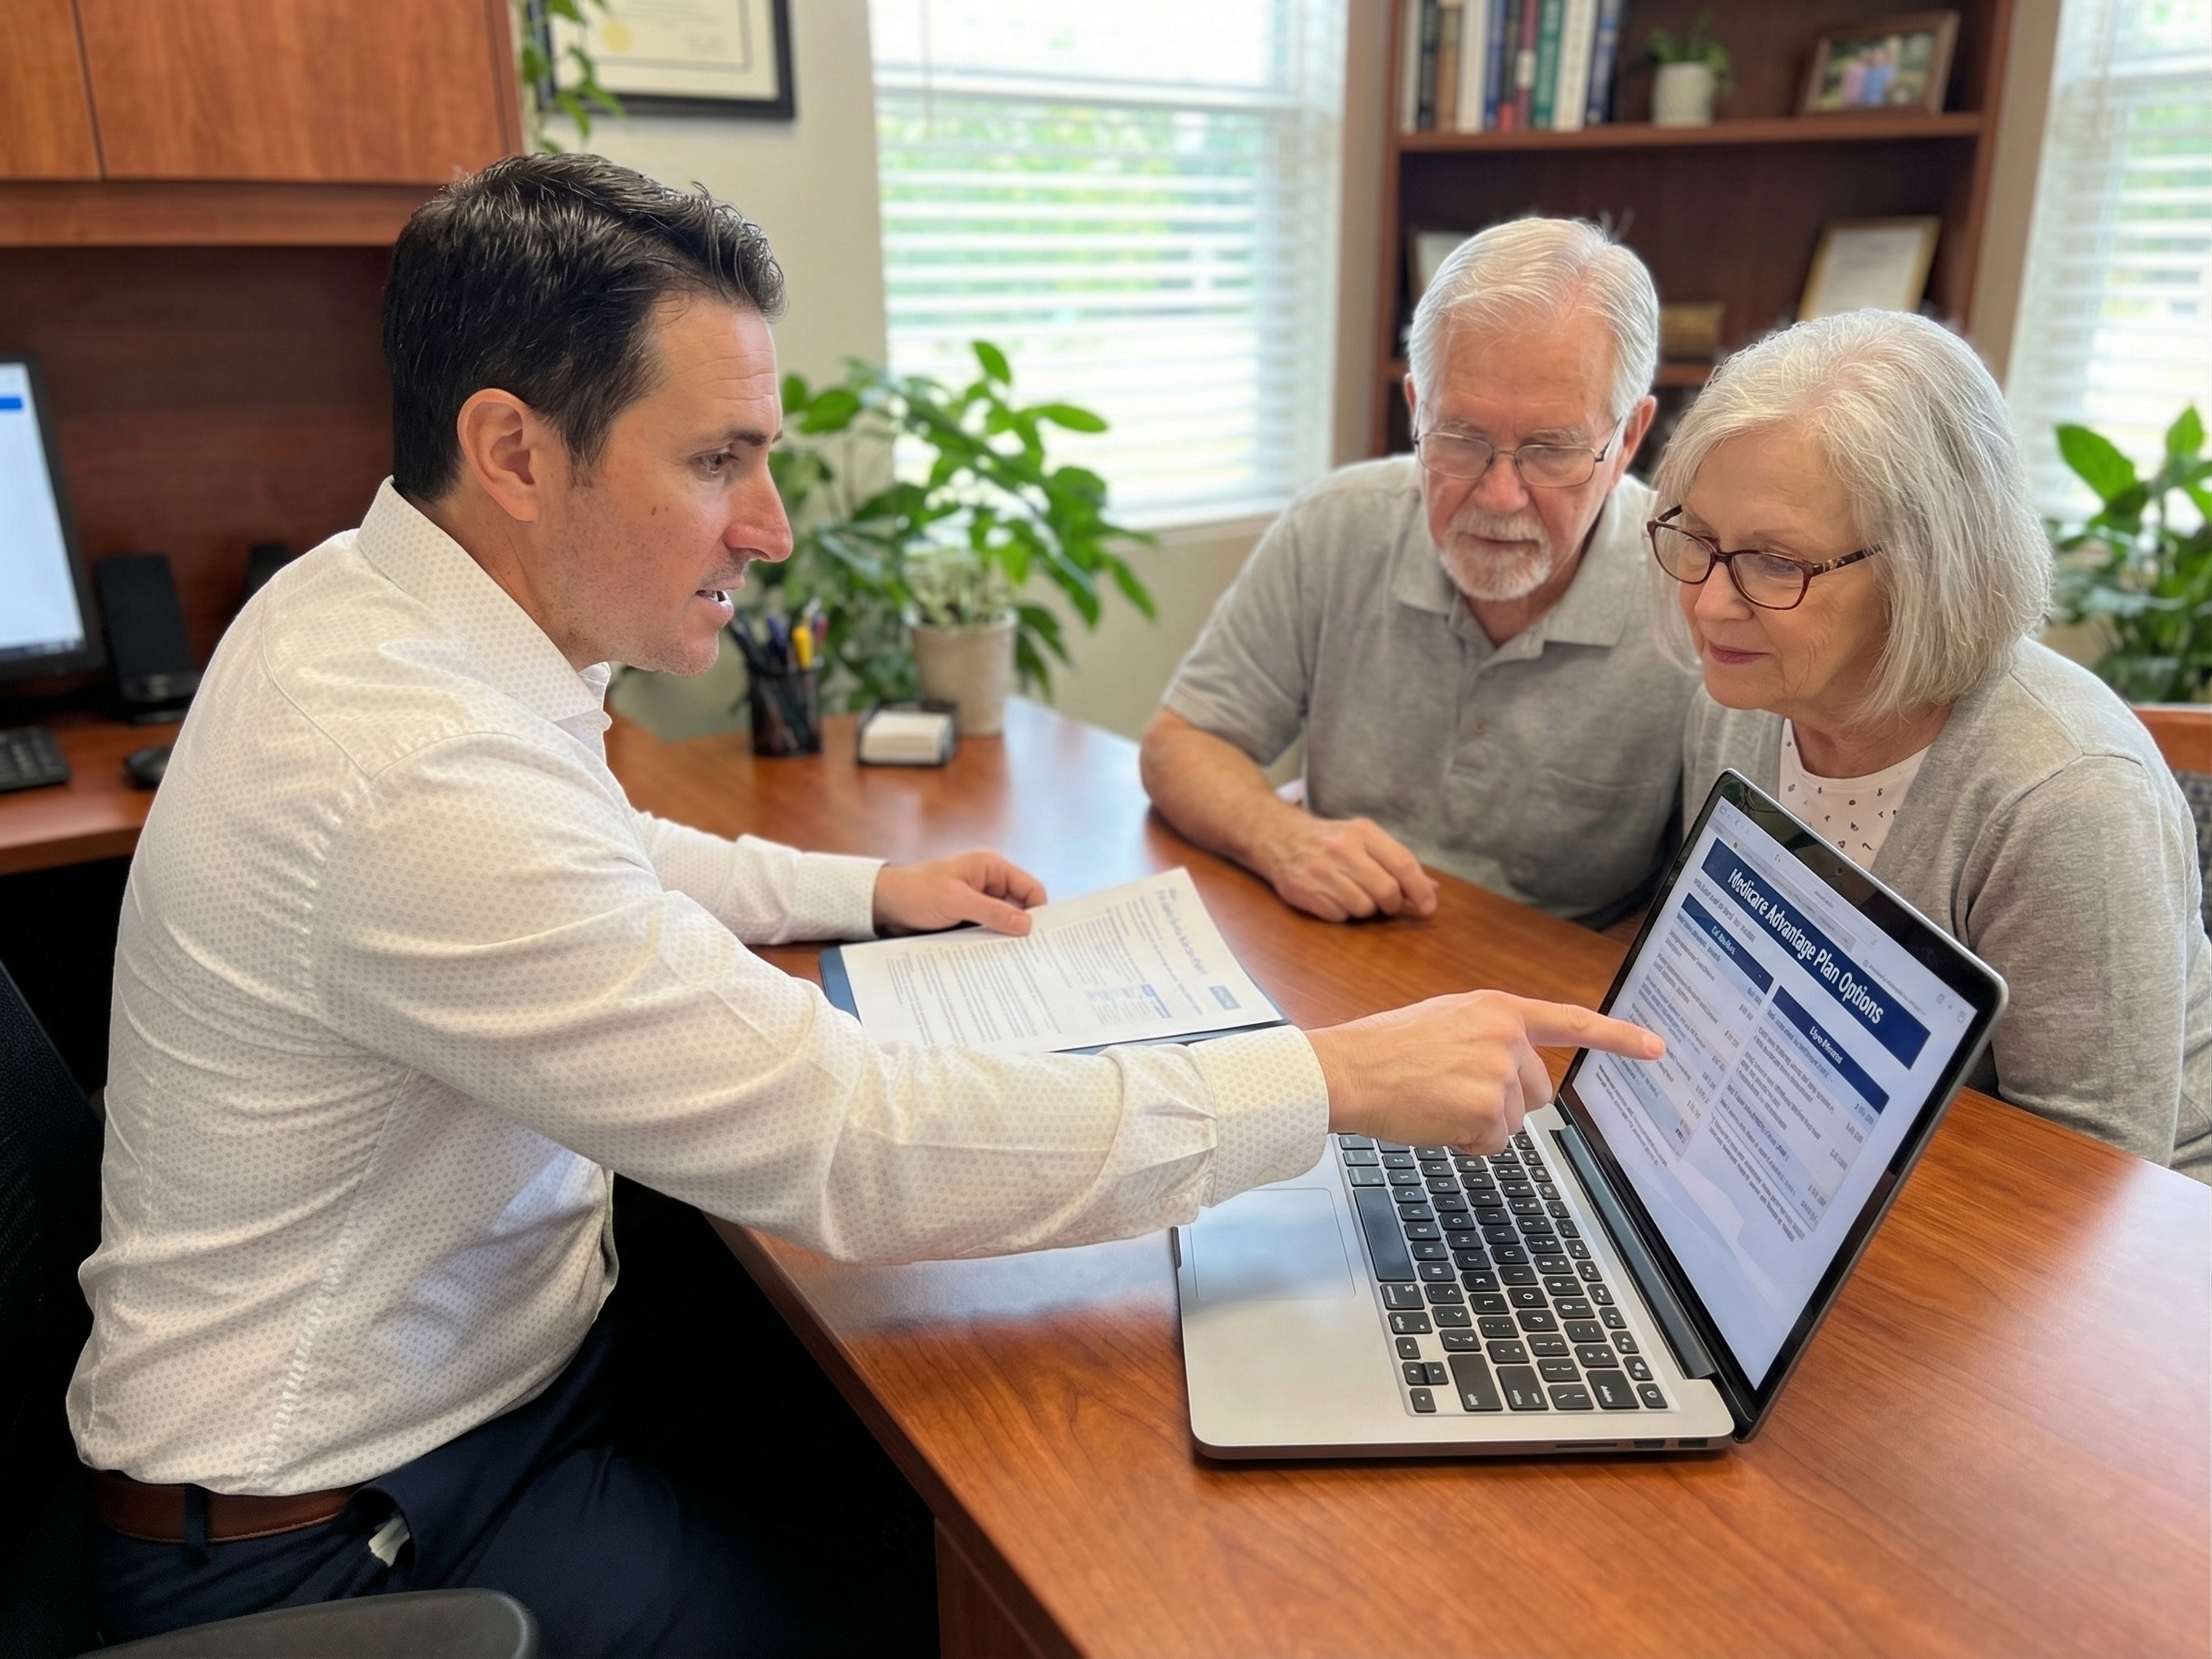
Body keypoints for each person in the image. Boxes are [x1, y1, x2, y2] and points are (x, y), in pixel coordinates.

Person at [67, 155, 1664, 1654]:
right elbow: (859, 1149)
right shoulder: (407, 778)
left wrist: (872, 889)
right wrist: (1333, 1080)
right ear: (512, 452)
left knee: (913, 1435)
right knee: (973, 1582)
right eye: (715, 462)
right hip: (350, 1528)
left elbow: (597, 844)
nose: (766, 526)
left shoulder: (367, 604)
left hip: (487, 1384)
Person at [1658, 307, 2210, 1179]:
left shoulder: (2069, 799)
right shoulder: (1746, 692)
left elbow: (2093, 1188)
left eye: (1775, 561)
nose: (1710, 605)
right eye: (1698, 539)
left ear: (1928, 566)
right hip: (1815, 1178)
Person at [1139, 218, 1699, 928]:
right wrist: (1281, 838)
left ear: (1628, 440)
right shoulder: (1339, 524)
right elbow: (1182, 741)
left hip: (1549, 986)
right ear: (1414, 411)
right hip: (1342, 949)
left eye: (1550, 450)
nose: (1500, 497)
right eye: (1461, 439)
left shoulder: (1694, 598)